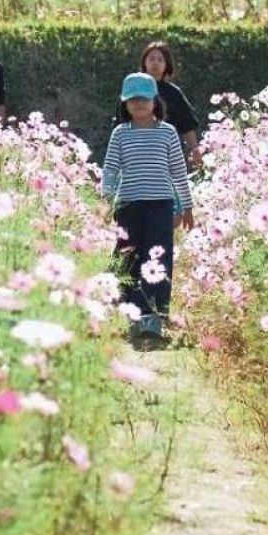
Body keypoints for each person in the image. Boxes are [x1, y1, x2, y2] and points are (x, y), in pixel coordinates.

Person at [101, 72, 195, 340]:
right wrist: (107, 201)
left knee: (158, 259)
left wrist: (186, 208)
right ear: (124, 104)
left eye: (143, 99)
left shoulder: (167, 133)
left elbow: (178, 173)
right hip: (129, 206)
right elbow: (110, 170)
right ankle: (123, 312)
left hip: (161, 207)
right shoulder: (120, 133)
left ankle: (152, 317)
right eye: (132, 100)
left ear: (155, 101)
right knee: (127, 257)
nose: (138, 104)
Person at [140, 42, 202, 168]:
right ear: (144, 63)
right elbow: (121, 122)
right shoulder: (133, 90)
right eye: (151, 59)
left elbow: (187, 125)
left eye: (160, 60)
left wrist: (195, 150)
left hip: (168, 155)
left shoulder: (174, 93)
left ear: (166, 65)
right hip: (137, 153)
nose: (155, 63)